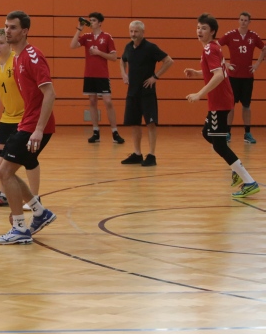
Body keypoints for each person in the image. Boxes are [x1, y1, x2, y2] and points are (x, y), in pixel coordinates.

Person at [0, 11, 57, 245]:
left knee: (4, 172)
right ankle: (40, 212)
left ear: (25, 31)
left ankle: (20, 228)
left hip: (35, 126)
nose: (7, 31)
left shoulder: (32, 56)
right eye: (6, 26)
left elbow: (50, 93)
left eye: (12, 27)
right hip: (26, 122)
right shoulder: (17, 57)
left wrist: (38, 129)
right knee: (1, 170)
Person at [184, 14, 259, 198]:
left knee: (219, 145)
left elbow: (218, 75)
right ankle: (236, 169)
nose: (199, 31)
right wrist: (197, 73)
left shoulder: (210, 48)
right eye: (198, 27)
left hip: (219, 102)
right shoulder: (214, 47)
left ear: (212, 31)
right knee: (207, 133)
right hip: (220, 101)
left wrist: (199, 94)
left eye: (204, 28)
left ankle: (249, 182)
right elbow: (218, 71)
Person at [0, 28, 40, 209]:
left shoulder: (17, 61)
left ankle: (35, 197)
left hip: (25, 116)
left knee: (29, 157)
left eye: (1, 43)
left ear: (8, 44)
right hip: (7, 117)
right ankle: (4, 195)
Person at [119, 20, 173, 166]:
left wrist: (155, 77)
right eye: (131, 31)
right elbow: (122, 60)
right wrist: (123, 74)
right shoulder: (128, 47)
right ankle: (137, 154)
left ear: (143, 32)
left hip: (147, 93)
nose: (133, 34)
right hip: (132, 92)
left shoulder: (150, 48)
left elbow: (169, 61)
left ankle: (151, 155)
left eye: (136, 31)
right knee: (134, 124)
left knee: (151, 123)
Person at [70, 12, 124, 144]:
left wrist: (98, 52)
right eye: (90, 20)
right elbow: (72, 46)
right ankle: (95, 132)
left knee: (108, 102)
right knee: (92, 102)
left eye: (94, 20)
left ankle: (115, 132)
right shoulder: (86, 36)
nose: (91, 22)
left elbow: (114, 57)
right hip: (89, 75)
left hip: (102, 76)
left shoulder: (107, 37)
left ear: (100, 23)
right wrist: (79, 29)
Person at [218, 12, 265, 144]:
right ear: (238, 21)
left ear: (249, 22)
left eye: (245, 20)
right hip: (233, 77)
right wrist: (225, 63)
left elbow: (264, 48)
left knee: (246, 106)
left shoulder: (253, 36)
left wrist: (257, 64)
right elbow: (216, 46)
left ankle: (247, 133)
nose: (243, 22)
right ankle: (227, 132)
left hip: (247, 77)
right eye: (241, 20)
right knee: (230, 105)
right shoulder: (231, 35)